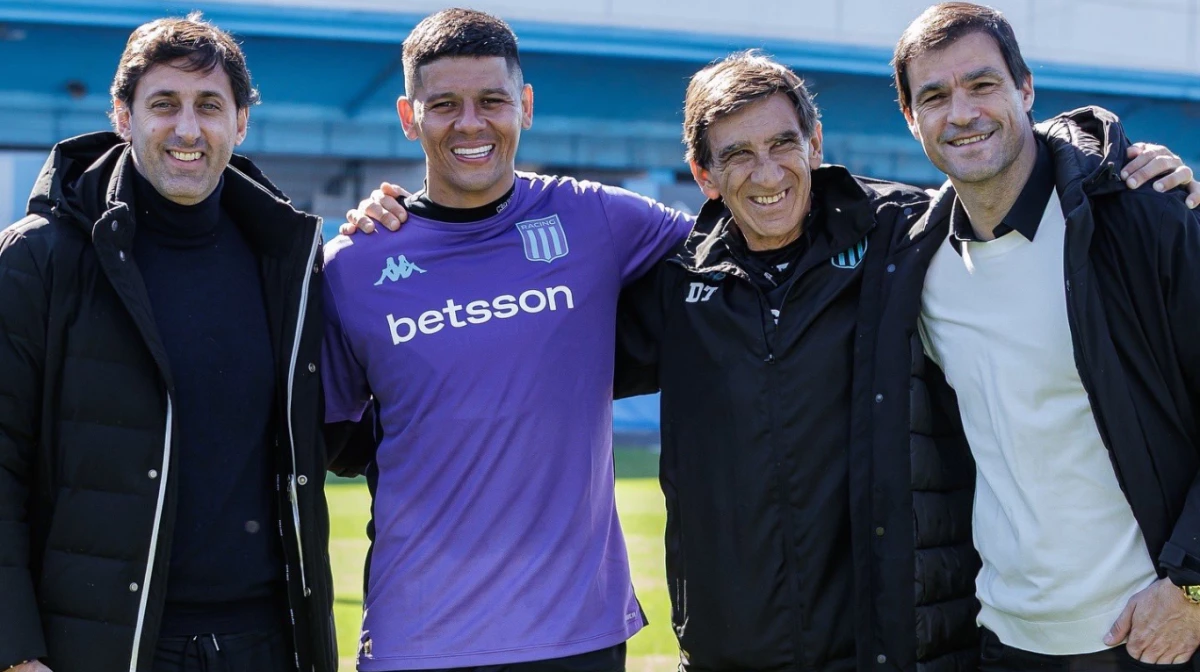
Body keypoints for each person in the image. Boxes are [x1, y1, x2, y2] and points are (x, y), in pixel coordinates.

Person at [319, 9, 692, 672]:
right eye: (444, 105)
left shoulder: (597, 217)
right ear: (409, 116)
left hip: (576, 633)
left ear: (525, 106)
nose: (471, 123)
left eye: (492, 100)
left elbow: (738, 248)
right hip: (419, 635)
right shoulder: (353, 264)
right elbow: (337, 440)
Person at [0, 14, 337, 672]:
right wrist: (15, 652)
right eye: (164, 105)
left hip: (267, 644)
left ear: (240, 123)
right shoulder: (38, 259)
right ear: (123, 117)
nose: (187, 129)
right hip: (105, 647)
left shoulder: (287, 260)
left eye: (209, 105)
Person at [872, 2, 1200, 670]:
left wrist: (1192, 583)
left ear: (1025, 89)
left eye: (982, 84)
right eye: (933, 97)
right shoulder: (914, 265)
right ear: (909, 117)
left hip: (1152, 637)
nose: (961, 113)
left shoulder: (1142, 217)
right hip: (1006, 639)